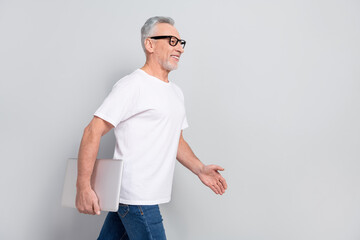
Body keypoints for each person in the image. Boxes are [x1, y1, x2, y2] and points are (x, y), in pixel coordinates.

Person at [75, 16, 228, 240]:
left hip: (138, 198)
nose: (180, 49)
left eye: (180, 42)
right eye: (172, 41)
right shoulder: (132, 85)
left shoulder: (175, 93)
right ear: (150, 44)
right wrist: (82, 187)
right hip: (137, 197)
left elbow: (175, 139)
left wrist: (200, 169)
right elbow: (92, 131)